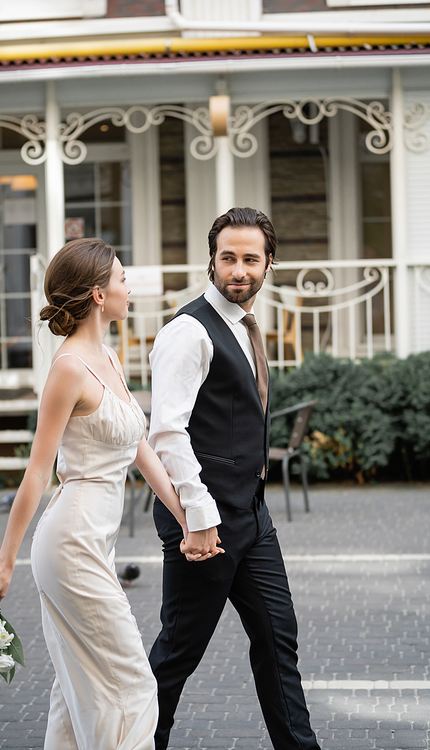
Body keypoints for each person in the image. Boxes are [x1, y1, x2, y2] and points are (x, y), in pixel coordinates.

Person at [0, 238, 214, 750]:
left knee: (76, 687)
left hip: (95, 544)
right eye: (122, 278)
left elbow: (140, 448)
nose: (130, 287)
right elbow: (38, 473)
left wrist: (190, 519)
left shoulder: (107, 355)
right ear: (99, 294)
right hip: (69, 542)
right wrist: (6, 562)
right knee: (133, 683)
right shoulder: (67, 370)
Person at [148, 207, 320, 750]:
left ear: (270, 263)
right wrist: (198, 520)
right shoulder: (188, 332)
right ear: (212, 260)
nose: (238, 270)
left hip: (252, 515)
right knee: (178, 655)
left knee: (277, 641)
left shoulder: (243, 326)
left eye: (250, 259)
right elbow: (168, 434)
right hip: (205, 524)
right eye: (228, 258)